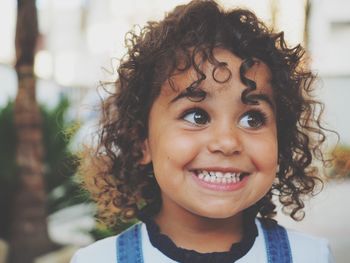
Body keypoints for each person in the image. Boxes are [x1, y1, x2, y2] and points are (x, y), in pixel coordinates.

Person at [71, 0, 334, 262]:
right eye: (197, 116)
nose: (227, 142)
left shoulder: (311, 256)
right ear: (142, 141)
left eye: (252, 119)